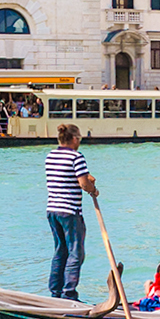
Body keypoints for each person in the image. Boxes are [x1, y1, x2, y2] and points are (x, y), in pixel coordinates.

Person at [46, 124, 97, 301]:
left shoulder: (50, 156)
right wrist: (93, 190)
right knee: (76, 252)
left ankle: (56, 291)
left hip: (52, 210)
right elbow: (83, 184)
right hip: (70, 211)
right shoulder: (76, 157)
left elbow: (69, 176)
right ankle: (69, 294)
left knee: (61, 251)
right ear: (74, 139)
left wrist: (87, 177)